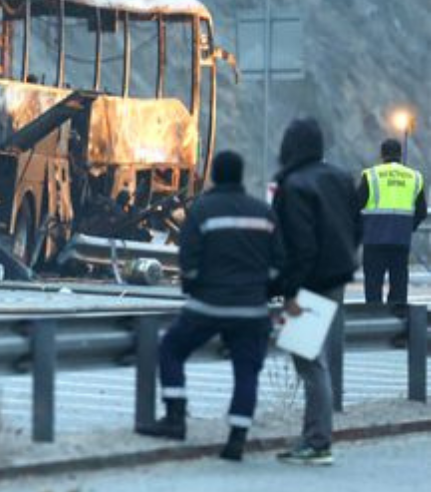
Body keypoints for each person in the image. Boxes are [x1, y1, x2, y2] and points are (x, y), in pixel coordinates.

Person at [135, 151, 283, 462]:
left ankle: (175, 418)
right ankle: (237, 439)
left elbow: (188, 259)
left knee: (171, 349)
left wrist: (193, 289)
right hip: (251, 310)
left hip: (208, 306)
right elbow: (278, 265)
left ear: (215, 174)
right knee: (246, 372)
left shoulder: (203, 210)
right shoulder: (264, 213)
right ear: (241, 175)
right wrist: (262, 293)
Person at [272, 118, 360, 465]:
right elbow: (357, 226)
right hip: (336, 277)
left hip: (309, 281)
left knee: (309, 361)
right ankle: (314, 437)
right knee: (312, 357)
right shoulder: (340, 177)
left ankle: (318, 442)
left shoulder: (294, 185)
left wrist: (291, 292)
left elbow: (300, 245)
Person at [357, 138, 426, 304]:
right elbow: (422, 211)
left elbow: (356, 206)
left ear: (382, 154)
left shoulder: (371, 175)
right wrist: (409, 227)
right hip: (401, 240)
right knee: (399, 284)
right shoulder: (414, 177)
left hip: (374, 239)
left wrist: (361, 230)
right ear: (400, 155)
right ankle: (398, 322)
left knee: (373, 285)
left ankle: (375, 322)